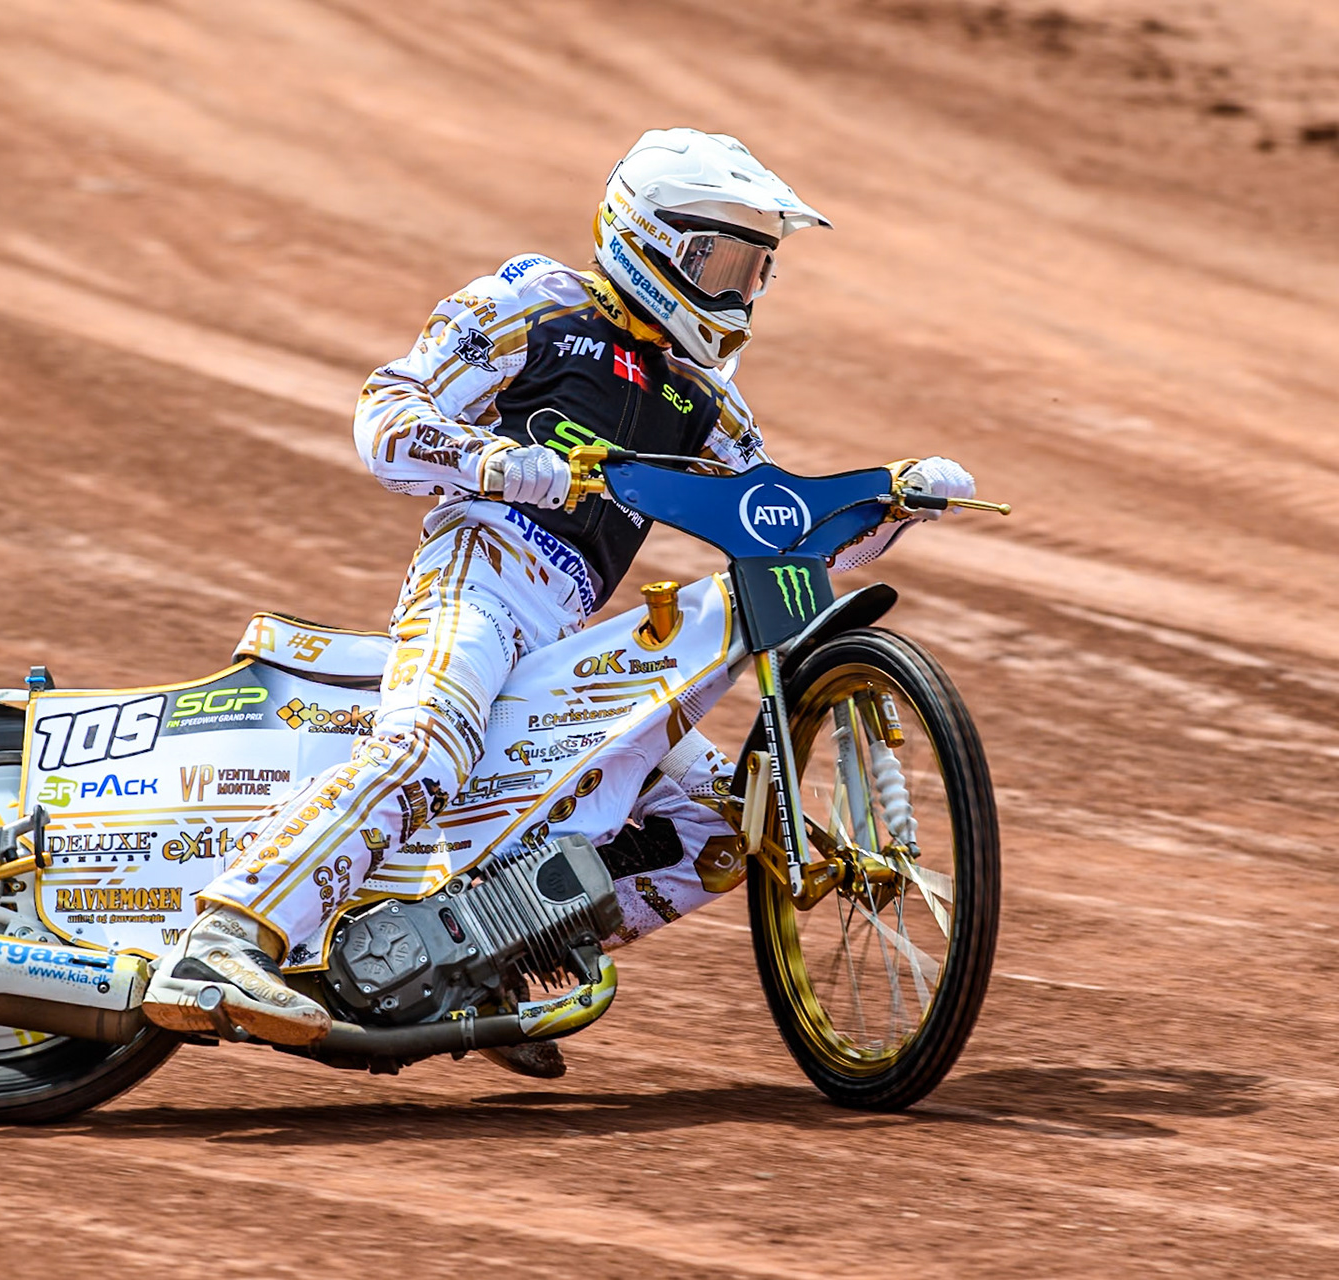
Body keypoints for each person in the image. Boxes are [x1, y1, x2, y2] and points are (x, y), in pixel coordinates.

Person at [142, 128, 974, 1071]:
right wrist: (501, 465)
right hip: (480, 576)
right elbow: (388, 415)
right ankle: (226, 937)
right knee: (425, 746)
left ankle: (474, 959)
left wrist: (893, 504)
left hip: (569, 629)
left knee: (722, 825)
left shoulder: (705, 398)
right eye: (722, 262)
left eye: (756, 270)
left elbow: (778, 529)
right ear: (652, 240)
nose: (740, 291)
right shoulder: (534, 303)